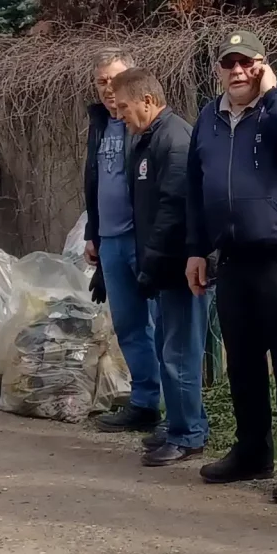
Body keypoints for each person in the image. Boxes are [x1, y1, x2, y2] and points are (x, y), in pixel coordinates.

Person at [186, 30, 277, 500]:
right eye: (229, 64)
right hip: (233, 260)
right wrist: (196, 248)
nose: (237, 72)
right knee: (243, 363)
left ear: (262, 65)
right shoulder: (209, 117)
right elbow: (195, 187)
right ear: (220, 70)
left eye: (246, 63)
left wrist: (274, 92)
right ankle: (251, 452)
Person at [109, 69, 206, 468]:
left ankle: (189, 435)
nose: (120, 116)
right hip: (164, 267)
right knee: (169, 344)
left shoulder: (174, 139)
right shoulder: (148, 139)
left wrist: (151, 262)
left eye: (125, 107)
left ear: (147, 101)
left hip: (180, 268)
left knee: (180, 352)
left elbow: (174, 210)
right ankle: (180, 422)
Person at [83, 49, 166, 440]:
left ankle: (176, 408)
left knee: (162, 324)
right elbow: (95, 181)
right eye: (101, 82)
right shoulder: (99, 124)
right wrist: (93, 233)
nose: (108, 90)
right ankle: (145, 403)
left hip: (141, 238)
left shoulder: (147, 125)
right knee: (129, 325)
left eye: (115, 81)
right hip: (110, 240)